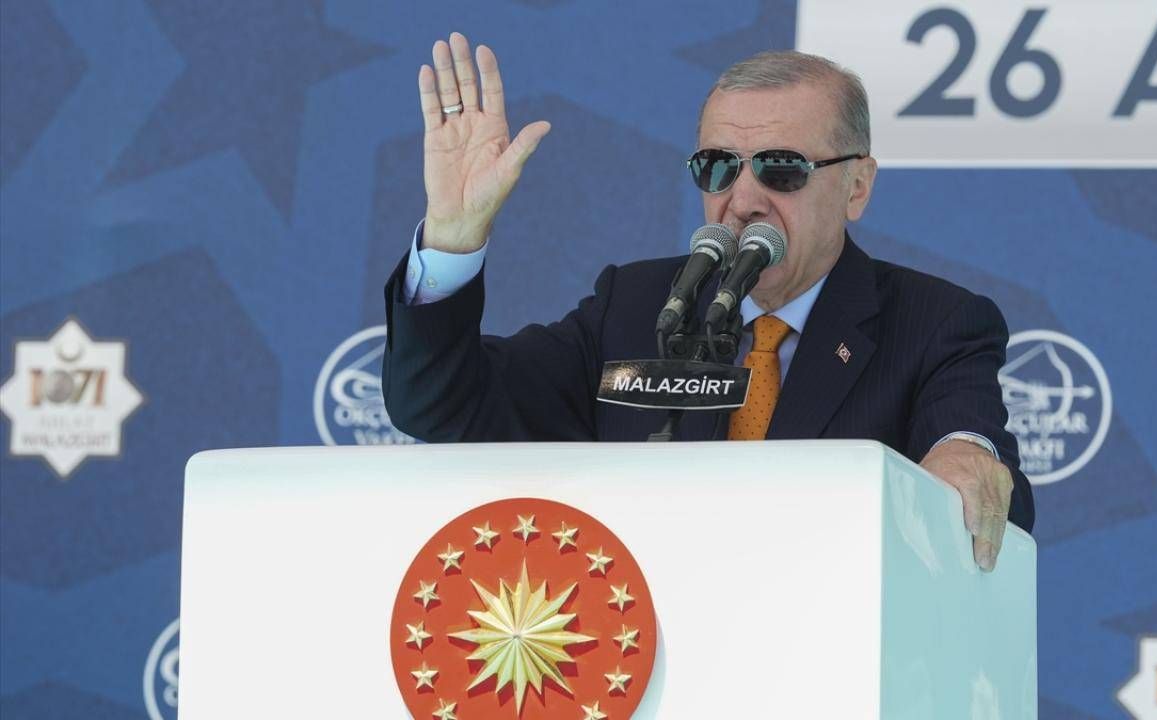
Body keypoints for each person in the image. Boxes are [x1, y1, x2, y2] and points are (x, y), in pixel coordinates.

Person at [382, 32, 1033, 570]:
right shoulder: (635, 305)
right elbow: (440, 404)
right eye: (718, 167)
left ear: (856, 186)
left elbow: (976, 461)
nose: (743, 200)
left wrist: (966, 454)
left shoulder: (936, 323)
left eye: (781, 168)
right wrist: (452, 236)